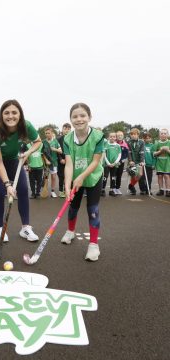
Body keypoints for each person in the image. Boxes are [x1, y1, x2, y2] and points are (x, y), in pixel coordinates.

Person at [0, 99, 41, 242]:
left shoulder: (26, 125)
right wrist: (8, 184)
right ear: (1, 115)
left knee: (22, 190)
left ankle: (25, 228)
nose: (11, 116)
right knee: (0, 191)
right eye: (6, 113)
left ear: (20, 114)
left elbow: (38, 142)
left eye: (14, 112)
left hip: (14, 160)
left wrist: (27, 153)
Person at [61, 103, 104, 261]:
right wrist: (67, 186)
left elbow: (95, 162)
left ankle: (93, 245)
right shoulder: (66, 139)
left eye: (83, 115)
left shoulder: (98, 136)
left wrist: (81, 177)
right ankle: (70, 231)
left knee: (92, 209)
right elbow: (69, 163)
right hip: (76, 179)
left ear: (89, 117)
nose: (79, 119)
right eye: (75, 116)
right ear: (71, 120)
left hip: (93, 177)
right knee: (73, 207)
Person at [43, 127, 62, 198]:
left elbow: (60, 151)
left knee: (53, 177)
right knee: (46, 177)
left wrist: (55, 149)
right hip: (46, 163)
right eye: (46, 133)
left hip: (54, 162)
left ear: (52, 133)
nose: (47, 134)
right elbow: (42, 153)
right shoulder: (43, 142)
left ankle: (53, 191)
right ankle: (45, 190)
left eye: (49, 133)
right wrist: (46, 160)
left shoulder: (55, 142)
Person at [101, 132, 121, 196]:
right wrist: (108, 163)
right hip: (107, 164)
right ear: (108, 137)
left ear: (116, 137)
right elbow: (104, 155)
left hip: (115, 164)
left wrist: (115, 163)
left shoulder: (118, 146)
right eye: (111, 136)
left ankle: (111, 190)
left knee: (113, 177)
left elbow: (119, 155)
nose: (112, 138)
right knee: (105, 177)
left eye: (114, 136)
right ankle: (103, 190)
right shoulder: (106, 145)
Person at [127, 128, 145, 195]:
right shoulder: (128, 142)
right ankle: (133, 189)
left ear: (138, 135)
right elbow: (129, 152)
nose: (133, 135)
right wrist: (130, 161)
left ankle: (131, 185)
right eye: (132, 134)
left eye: (135, 134)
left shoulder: (141, 142)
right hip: (132, 161)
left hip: (139, 161)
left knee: (140, 174)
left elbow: (142, 152)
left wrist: (142, 161)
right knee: (133, 173)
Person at [153, 128, 170, 196]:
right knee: (160, 176)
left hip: (167, 163)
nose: (163, 135)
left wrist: (167, 150)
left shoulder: (169, 142)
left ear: (168, 135)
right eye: (162, 133)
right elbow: (154, 153)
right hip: (159, 162)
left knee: (166, 176)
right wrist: (160, 151)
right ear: (159, 135)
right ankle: (161, 190)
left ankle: (168, 190)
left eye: (165, 133)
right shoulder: (157, 143)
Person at [57, 123, 72, 198]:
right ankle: (60, 191)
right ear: (62, 130)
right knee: (61, 176)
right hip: (61, 161)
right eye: (65, 129)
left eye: (68, 129)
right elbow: (57, 150)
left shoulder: (73, 139)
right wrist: (61, 159)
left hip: (70, 161)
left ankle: (69, 190)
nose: (67, 130)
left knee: (70, 176)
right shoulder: (59, 139)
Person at [115, 131, 129, 195]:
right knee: (113, 176)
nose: (120, 136)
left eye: (121, 135)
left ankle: (117, 188)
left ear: (123, 136)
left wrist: (121, 161)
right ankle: (113, 188)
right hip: (114, 163)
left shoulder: (125, 145)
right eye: (118, 135)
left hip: (121, 163)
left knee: (119, 175)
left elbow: (126, 155)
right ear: (116, 136)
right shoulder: (114, 143)